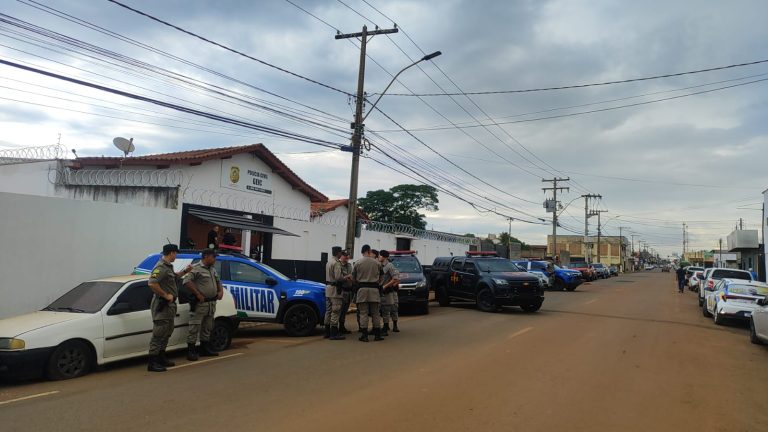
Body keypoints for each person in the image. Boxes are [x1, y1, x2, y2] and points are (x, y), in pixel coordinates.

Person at [147, 243, 192, 372]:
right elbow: (152, 283)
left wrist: (185, 271)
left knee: (167, 332)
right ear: (171, 253)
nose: (176, 256)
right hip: (162, 305)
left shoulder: (168, 267)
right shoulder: (160, 267)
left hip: (169, 306)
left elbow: (174, 277)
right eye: (175, 253)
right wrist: (165, 295)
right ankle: (152, 362)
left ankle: (161, 357)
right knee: (159, 334)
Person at [183, 249, 224, 360]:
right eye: (213, 257)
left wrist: (221, 291)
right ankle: (191, 351)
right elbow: (186, 281)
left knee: (207, 327)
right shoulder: (196, 268)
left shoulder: (212, 269)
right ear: (206, 256)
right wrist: (197, 293)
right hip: (200, 304)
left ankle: (204, 349)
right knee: (194, 327)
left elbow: (218, 281)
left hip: (211, 303)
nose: (215, 259)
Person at [354, 244, 384, 342]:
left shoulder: (357, 263)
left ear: (362, 252)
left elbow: (354, 277)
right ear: (369, 251)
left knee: (363, 313)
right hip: (374, 290)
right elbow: (382, 277)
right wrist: (378, 283)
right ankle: (377, 335)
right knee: (375, 313)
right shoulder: (377, 263)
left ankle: (364, 335)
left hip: (362, 290)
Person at [378, 250, 400, 336]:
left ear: (384, 257)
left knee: (391, 308)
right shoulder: (379, 265)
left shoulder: (389, 266)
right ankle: (386, 326)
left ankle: (392, 325)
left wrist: (386, 286)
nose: (379, 257)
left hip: (388, 291)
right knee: (384, 309)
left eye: (380, 256)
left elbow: (396, 278)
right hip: (381, 290)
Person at [324, 246, 343, 339]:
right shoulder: (336, 263)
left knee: (328, 311)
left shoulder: (329, 262)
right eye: (341, 252)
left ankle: (327, 332)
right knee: (335, 310)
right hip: (335, 290)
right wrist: (345, 277)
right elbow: (338, 277)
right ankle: (334, 333)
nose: (341, 254)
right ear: (338, 253)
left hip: (328, 288)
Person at [337, 251, 354, 334]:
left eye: (348, 256)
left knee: (345, 310)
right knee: (339, 310)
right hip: (342, 290)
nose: (347, 257)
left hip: (349, 291)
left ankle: (342, 326)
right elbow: (338, 278)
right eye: (345, 256)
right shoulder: (338, 265)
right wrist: (347, 277)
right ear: (341, 256)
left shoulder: (350, 265)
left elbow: (352, 275)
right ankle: (335, 327)